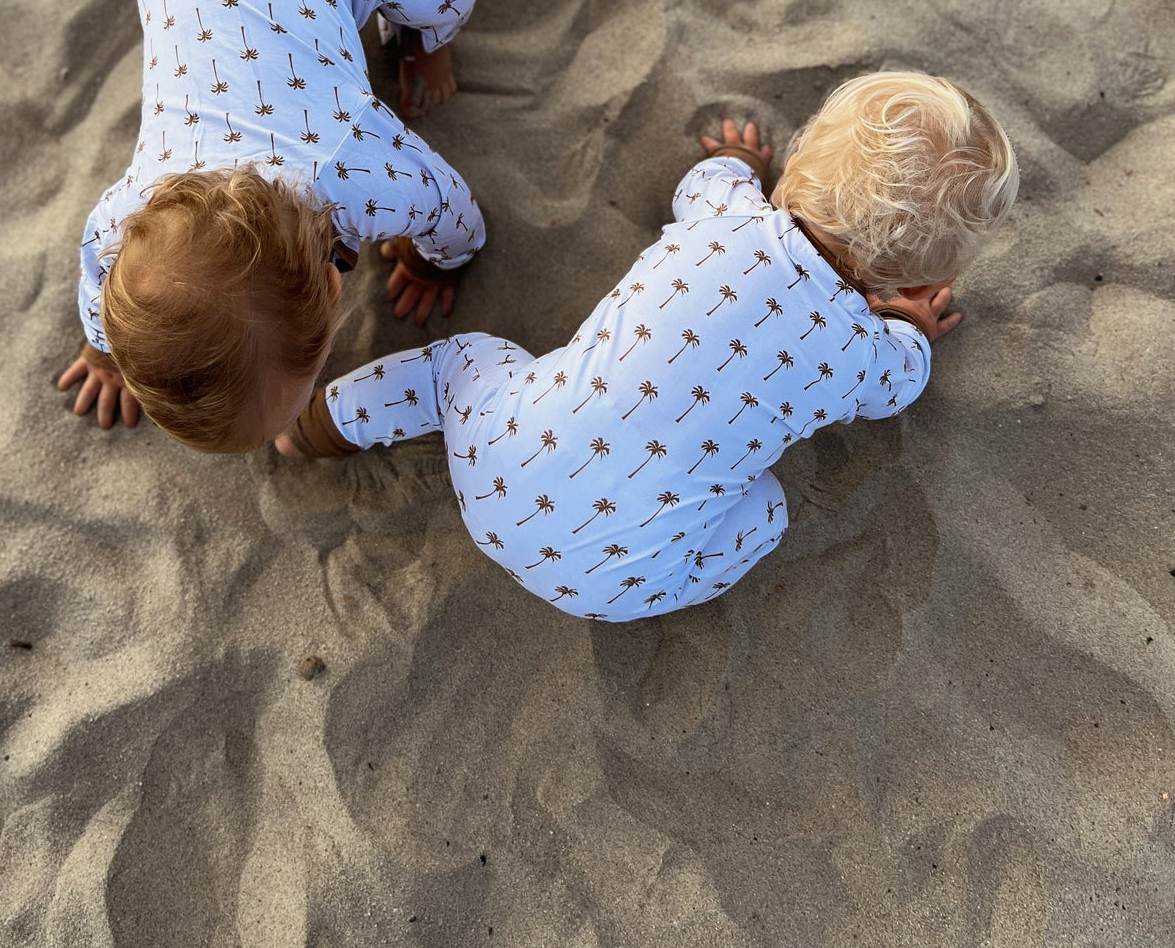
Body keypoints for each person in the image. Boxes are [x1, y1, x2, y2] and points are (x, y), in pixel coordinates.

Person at [276, 73, 1018, 618]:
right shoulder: (859, 356)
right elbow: (901, 382)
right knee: (763, 511)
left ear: (798, 169)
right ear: (923, 275)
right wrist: (909, 327)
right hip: (612, 586)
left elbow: (706, 178)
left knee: (460, 363)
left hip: (497, 466)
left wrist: (742, 164)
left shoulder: (725, 213)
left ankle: (320, 426)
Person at [58, 0, 485, 448]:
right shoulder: (128, 215)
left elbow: (455, 214)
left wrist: (433, 266)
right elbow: (100, 276)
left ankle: (421, 40)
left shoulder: (354, 168)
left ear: (335, 284)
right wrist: (104, 352)